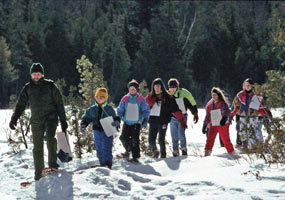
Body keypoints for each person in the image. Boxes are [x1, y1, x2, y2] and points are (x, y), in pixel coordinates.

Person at [9, 63, 68, 180]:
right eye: (34, 74)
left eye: (38, 74)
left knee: (50, 139)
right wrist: (14, 118)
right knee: (37, 146)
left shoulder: (50, 86)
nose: (36, 76)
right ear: (31, 75)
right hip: (36, 120)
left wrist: (63, 120)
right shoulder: (27, 88)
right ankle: (39, 172)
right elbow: (21, 104)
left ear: (42, 74)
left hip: (51, 118)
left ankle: (53, 166)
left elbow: (59, 104)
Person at [145, 78, 186, 158]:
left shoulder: (167, 96)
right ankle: (155, 151)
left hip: (163, 121)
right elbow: (143, 107)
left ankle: (163, 155)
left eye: (158, 86)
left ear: (161, 87)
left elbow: (174, 107)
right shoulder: (150, 96)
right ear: (153, 87)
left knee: (161, 139)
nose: (156, 88)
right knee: (151, 140)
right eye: (155, 86)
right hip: (153, 121)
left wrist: (181, 118)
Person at [80, 88, 120, 169]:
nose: (99, 100)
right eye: (97, 98)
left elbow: (115, 117)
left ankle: (108, 163)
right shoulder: (92, 109)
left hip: (107, 131)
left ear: (105, 98)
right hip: (97, 131)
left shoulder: (109, 108)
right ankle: (102, 163)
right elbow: (86, 118)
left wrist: (116, 122)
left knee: (106, 147)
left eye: (101, 98)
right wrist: (83, 124)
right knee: (99, 148)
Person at [116, 79, 150, 163]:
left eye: (133, 89)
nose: (131, 90)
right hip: (127, 122)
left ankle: (135, 156)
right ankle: (128, 151)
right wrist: (118, 119)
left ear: (136, 89)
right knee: (123, 138)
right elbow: (120, 110)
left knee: (135, 140)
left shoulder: (140, 98)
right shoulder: (125, 98)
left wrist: (145, 119)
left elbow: (146, 110)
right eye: (130, 89)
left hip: (136, 123)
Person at [231, 78, 268, 151]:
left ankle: (253, 148)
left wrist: (264, 116)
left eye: (249, 85)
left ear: (252, 86)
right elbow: (235, 106)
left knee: (253, 132)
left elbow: (263, 107)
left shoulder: (257, 95)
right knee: (242, 133)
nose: (247, 87)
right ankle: (244, 147)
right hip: (243, 117)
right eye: (245, 85)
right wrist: (231, 115)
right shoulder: (239, 95)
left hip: (253, 117)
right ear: (243, 86)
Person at [167, 78, 199, 156]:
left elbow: (192, 102)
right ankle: (175, 150)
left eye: (174, 87)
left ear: (177, 86)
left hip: (183, 117)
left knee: (181, 134)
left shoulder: (184, 92)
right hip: (172, 118)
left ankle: (184, 149)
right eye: (170, 87)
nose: (172, 89)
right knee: (174, 135)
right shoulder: (167, 94)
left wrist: (195, 112)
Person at [202, 87, 234, 156]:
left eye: (215, 95)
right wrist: (204, 125)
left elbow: (226, 112)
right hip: (213, 124)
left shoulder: (223, 104)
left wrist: (224, 119)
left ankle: (231, 153)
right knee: (209, 139)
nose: (213, 96)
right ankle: (207, 153)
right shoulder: (210, 105)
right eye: (212, 95)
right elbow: (208, 116)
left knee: (225, 140)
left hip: (223, 124)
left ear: (218, 95)